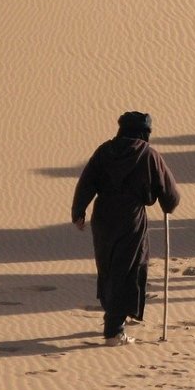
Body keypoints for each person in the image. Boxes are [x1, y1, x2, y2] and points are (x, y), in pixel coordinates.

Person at [72, 111, 180, 346]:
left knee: (108, 267)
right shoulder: (148, 154)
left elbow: (87, 181)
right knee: (128, 269)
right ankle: (114, 330)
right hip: (130, 219)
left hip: (103, 217)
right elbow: (170, 193)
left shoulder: (104, 151)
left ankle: (113, 318)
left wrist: (79, 211)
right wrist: (168, 204)